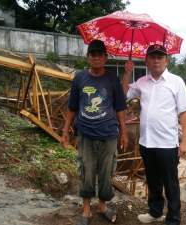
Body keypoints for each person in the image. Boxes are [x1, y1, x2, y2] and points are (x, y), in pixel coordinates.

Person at [122, 44, 186, 225]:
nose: (156, 60)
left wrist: (185, 140)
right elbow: (124, 95)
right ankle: (155, 212)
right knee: (153, 181)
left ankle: (173, 219)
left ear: (166, 60)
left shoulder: (176, 82)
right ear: (146, 61)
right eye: (152, 57)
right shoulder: (142, 82)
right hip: (146, 142)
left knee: (171, 184)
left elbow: (184, 113)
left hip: (167, 144)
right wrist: (127, 73)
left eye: (160, 57)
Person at [61, 39, 128, 225]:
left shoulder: (113, 79)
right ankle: (86, 210)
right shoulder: (80, 78)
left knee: (107, 172)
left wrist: (123, 132)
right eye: (93, 54)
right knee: (86, 171)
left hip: (108, 135)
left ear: (105, 58)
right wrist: (66, 130)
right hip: (86, 135)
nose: (97, 57)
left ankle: (102, 206)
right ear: (88, 57)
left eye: (100, 54)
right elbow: (72, 107)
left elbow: (121, 108)